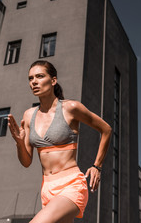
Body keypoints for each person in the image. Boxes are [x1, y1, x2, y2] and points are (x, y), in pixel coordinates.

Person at [8, 60, 112, 223]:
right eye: (30, 78)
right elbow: (27, 161)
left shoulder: (70, 108)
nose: (34, 81)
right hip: (47, 188)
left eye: (40, 76)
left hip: (71, 185)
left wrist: (97, 166)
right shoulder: (29, 115)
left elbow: (106, 129)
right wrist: (20, 143)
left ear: (53, 80)